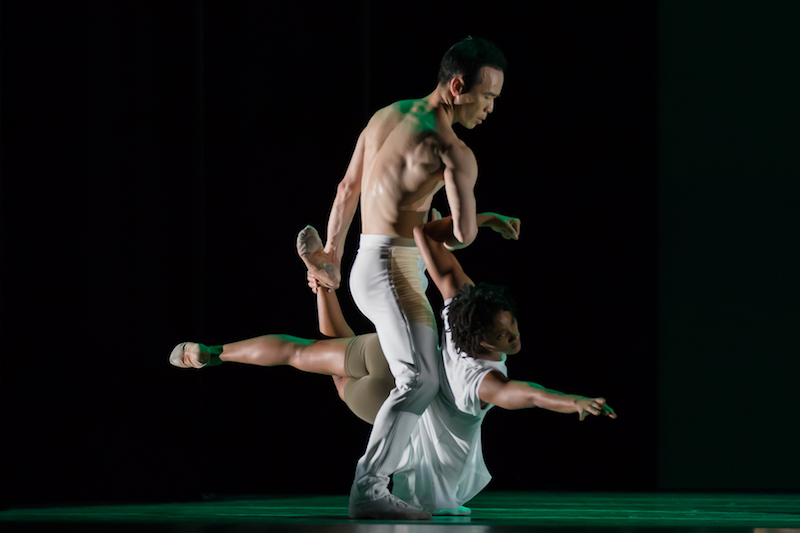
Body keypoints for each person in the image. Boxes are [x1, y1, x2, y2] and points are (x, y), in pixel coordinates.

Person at [169, 213, 616, 517]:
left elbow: (426, 234)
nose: (515, 336)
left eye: (513, 325)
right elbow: (526, 395)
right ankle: (322, 287)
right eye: (505, 334)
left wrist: (481, 220)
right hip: (385, 403)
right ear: (481, 340)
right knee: (325, 362)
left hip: (395, 356)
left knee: (303, 352)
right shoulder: (481, 379)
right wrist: (570, 400)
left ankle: (212, 350)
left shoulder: (463, 304)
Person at [296, 36, 516, 519]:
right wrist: (480, 222)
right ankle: (369, 489)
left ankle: (425, 493)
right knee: (420, 380)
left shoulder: (385, 116)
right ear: (459, 86)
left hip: (366, 258)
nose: (491, 108)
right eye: (488, 96)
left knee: (428, 382)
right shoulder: (453, 150)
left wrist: (333, 250)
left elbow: (347, 188)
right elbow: (457, 235)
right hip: (395, 270)